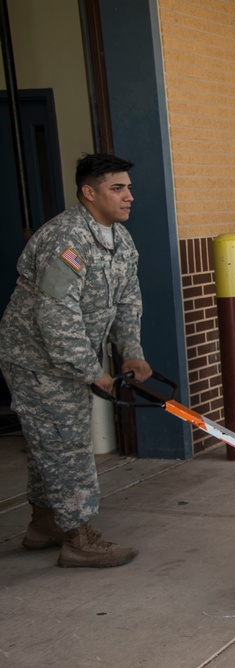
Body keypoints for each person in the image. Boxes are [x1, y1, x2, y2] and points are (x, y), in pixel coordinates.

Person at [0, 153, 152, 568]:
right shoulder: (65, 239)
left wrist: (132, 350)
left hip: (68, 359)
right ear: (89, 193)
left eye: (128, 187)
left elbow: (127, 300)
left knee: (48, 444)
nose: (129, 197)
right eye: (117, 188)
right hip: (37, 360)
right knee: (66, 446)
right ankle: (79, 538)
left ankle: (44, 524)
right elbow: (56, 314)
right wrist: (92, 372)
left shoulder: (120, 240)